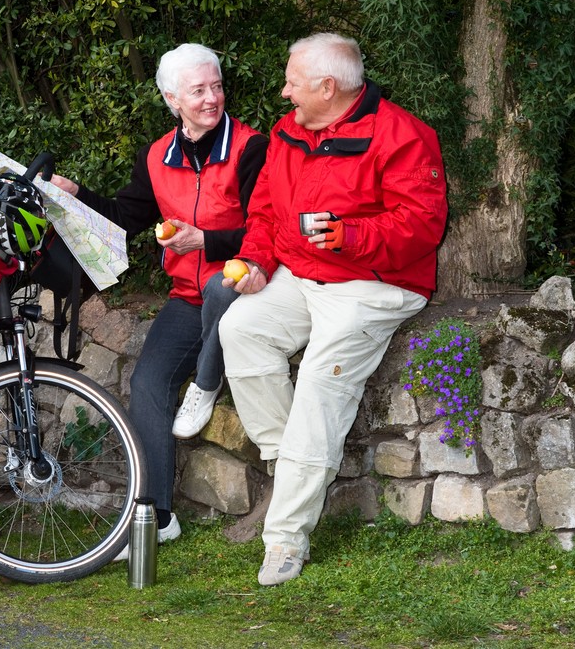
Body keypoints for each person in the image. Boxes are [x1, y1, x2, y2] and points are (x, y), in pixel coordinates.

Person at [218, 32, 448, 586]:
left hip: (375, 284)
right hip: (302, 273)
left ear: (328, 87)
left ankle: (285, 538)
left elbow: (422, 226)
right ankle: (292, 468)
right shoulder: (289, 130)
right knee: (240, 329)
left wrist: (351, 236)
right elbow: (265, 211)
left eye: (292, 82)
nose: (284, 92)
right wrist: (255, 261)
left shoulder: (404, 135)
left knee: (320, 385)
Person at [51, 43, 267, 559]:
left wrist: (207, 241)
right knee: (147, 383)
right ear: (172, 99)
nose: (212, 98)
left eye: (217, 86)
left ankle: (207, 382)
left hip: (245, 290)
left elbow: (267, 229)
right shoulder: (157, 155)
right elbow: (126, 217)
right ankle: (155, 516)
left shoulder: (251, 148)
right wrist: (77, 195)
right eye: (199, 90)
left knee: (220, 287)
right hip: (187, 297)